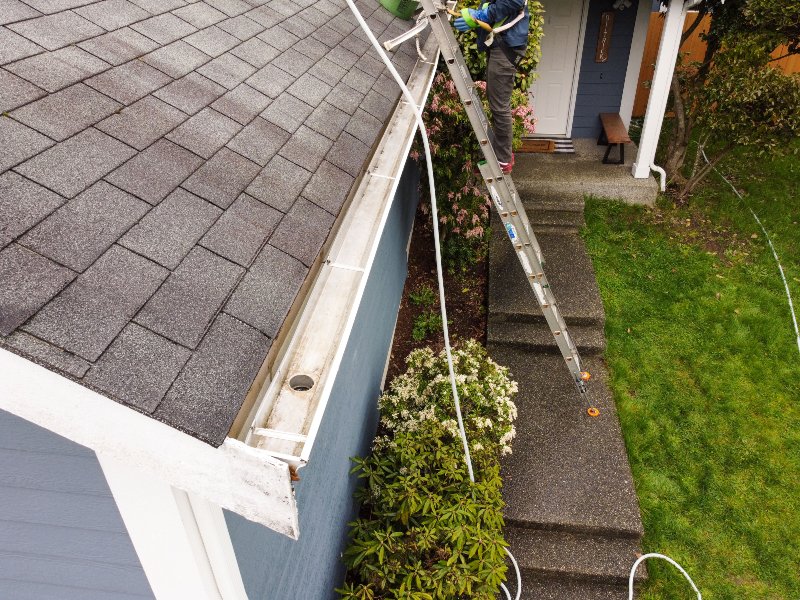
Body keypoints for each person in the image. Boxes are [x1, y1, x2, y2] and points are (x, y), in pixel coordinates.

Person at [454, 1, 530, 174]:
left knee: (499, 106)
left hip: (506, 49)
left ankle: (503, 160)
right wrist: (474, 18)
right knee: (495, 101)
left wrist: (480, 15)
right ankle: (500, 153)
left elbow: (513, 1)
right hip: (501, 46)